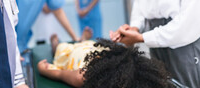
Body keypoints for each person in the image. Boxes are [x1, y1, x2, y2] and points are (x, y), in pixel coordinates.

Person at [38, 37, 174, 88]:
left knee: (80, 45)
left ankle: (81, 40)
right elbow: (61, 74)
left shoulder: (130, 70)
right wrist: (46, 71)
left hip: (93, 49)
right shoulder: (85, 76)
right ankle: (56, 43)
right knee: (60, 49)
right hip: (78, 54)